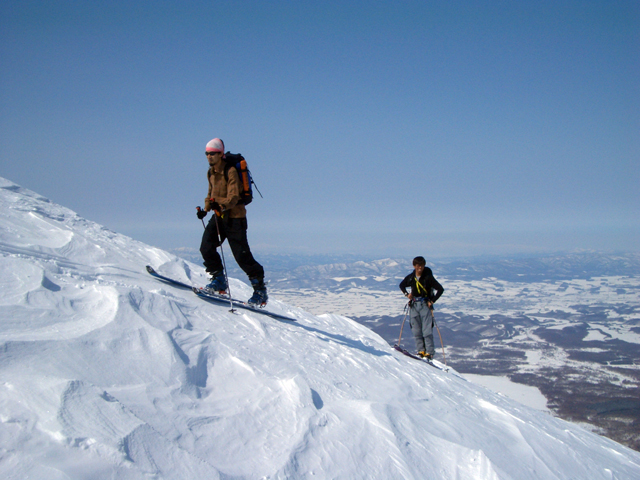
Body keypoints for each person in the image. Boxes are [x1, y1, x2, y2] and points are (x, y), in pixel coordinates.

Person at [197, 138, 267, 305]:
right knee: (206, 247)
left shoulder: (230, 171)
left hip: (235, 218)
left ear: (221, 154)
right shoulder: (211, 172)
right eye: (207, 153)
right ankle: (219, 280)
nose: (209, 156)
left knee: (242, 256)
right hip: (219, 216)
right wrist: (205, 210)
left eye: (212, 153)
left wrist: (221, 205)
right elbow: (210, 194)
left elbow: (234, 196)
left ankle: (260, 291)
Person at [399, 256, 444, 359]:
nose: (420, 268)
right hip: (414, 305)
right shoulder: (411, 277)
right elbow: (401, 285)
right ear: (414, 266)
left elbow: (440, 289)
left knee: (427, 330)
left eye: (422, 265)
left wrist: (432, 301)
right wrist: (407, 294)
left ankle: (429, 353)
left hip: (425, 305)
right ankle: (421, 351)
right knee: (416, 330)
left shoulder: (428, 277)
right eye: (418, 266)